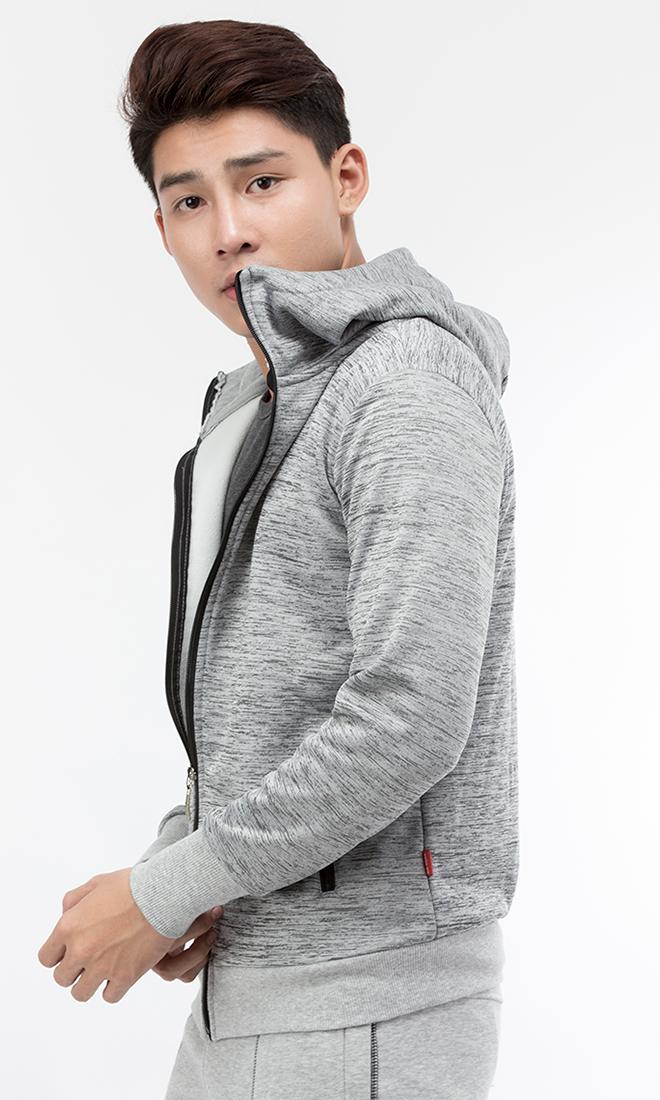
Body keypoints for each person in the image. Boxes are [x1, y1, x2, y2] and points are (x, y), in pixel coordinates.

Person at [41, 18, 519, 1099]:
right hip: (255, 986)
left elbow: (409, 716)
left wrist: (165, 889)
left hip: (369, 1002)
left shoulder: (404, 386)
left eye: (262, 182)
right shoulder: (259, 400)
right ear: (160, 225)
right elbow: (284, 700)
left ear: (346, 178)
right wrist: (185, 865)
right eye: (189, 201)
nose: (229, 232)